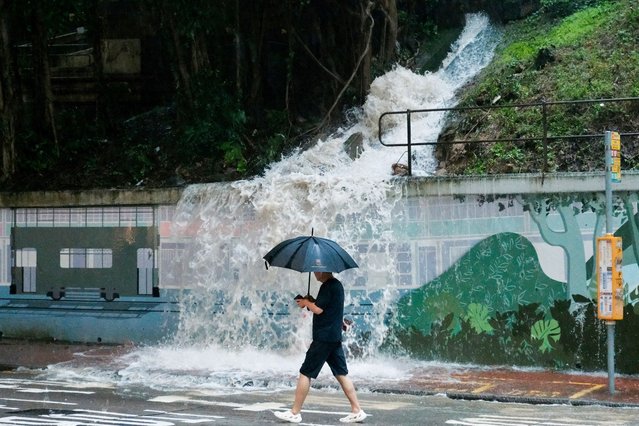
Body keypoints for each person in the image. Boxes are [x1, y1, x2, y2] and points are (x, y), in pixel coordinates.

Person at [273, 271, 367, 424]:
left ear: (324, 270)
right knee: (341, 373)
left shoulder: (328, 286)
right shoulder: (337, 285)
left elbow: (319, 310)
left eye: (317, 270)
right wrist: (311, 301)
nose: (315, 273)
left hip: (323, 338)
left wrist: (306, 303)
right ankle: (357, 410)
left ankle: (295, 412)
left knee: (305, 372)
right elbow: (324, 307)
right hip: (334, 338)